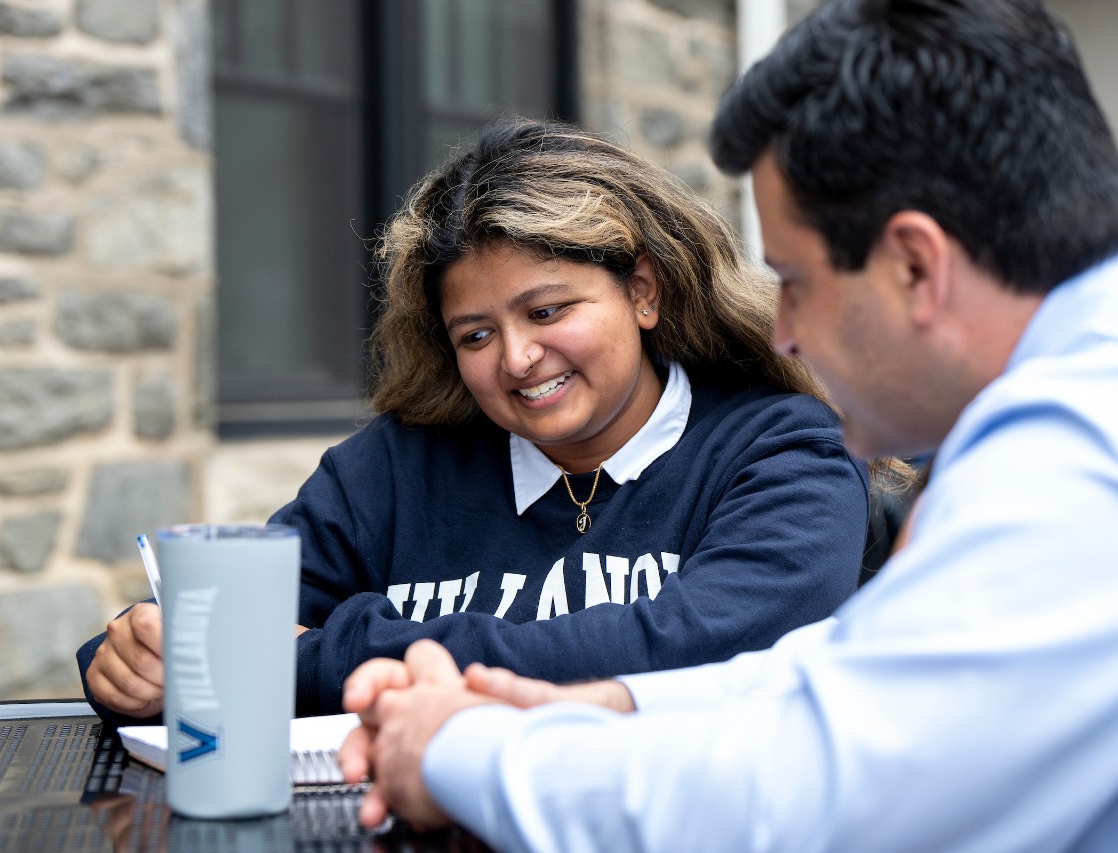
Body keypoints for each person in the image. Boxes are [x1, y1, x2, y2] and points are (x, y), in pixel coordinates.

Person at [334, 1, 1118, 850]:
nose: (784, 331)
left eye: (800, 281)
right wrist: (601, 704)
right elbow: (869, 672)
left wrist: (462, 754)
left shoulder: (1110, 456)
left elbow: (822, 796)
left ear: (913, 266)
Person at [77, 118, 880, 723]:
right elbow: (220, 624)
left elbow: (690, 649)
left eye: (547, 309)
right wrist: (132, 656)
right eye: (476, 334)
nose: (518, 357)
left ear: (643, 289)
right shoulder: (392, 470)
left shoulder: (785, 451)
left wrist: (318, 656)